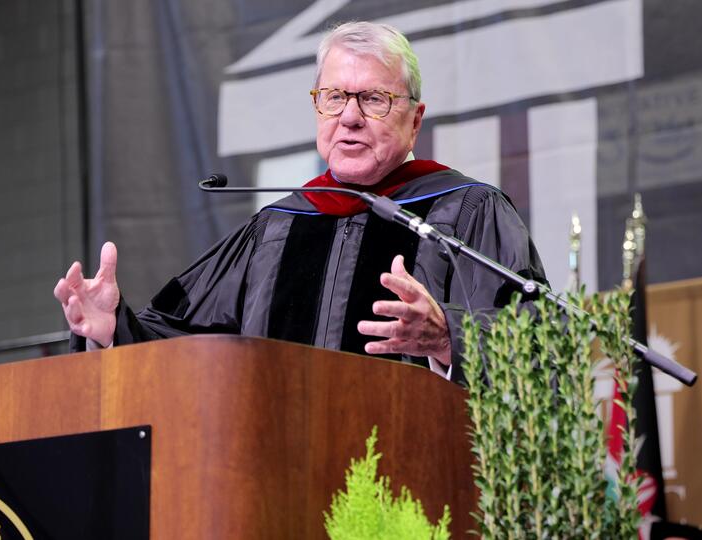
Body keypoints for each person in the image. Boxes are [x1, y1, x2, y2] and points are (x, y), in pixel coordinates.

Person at [53, 21, 545, 385]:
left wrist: (446, 337)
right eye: (333, 97)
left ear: (415, 120)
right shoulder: (275, 229)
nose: (349, 117)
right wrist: (113, 328)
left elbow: (538, 344)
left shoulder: (466, 213)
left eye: (373, 99)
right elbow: (187, 346)